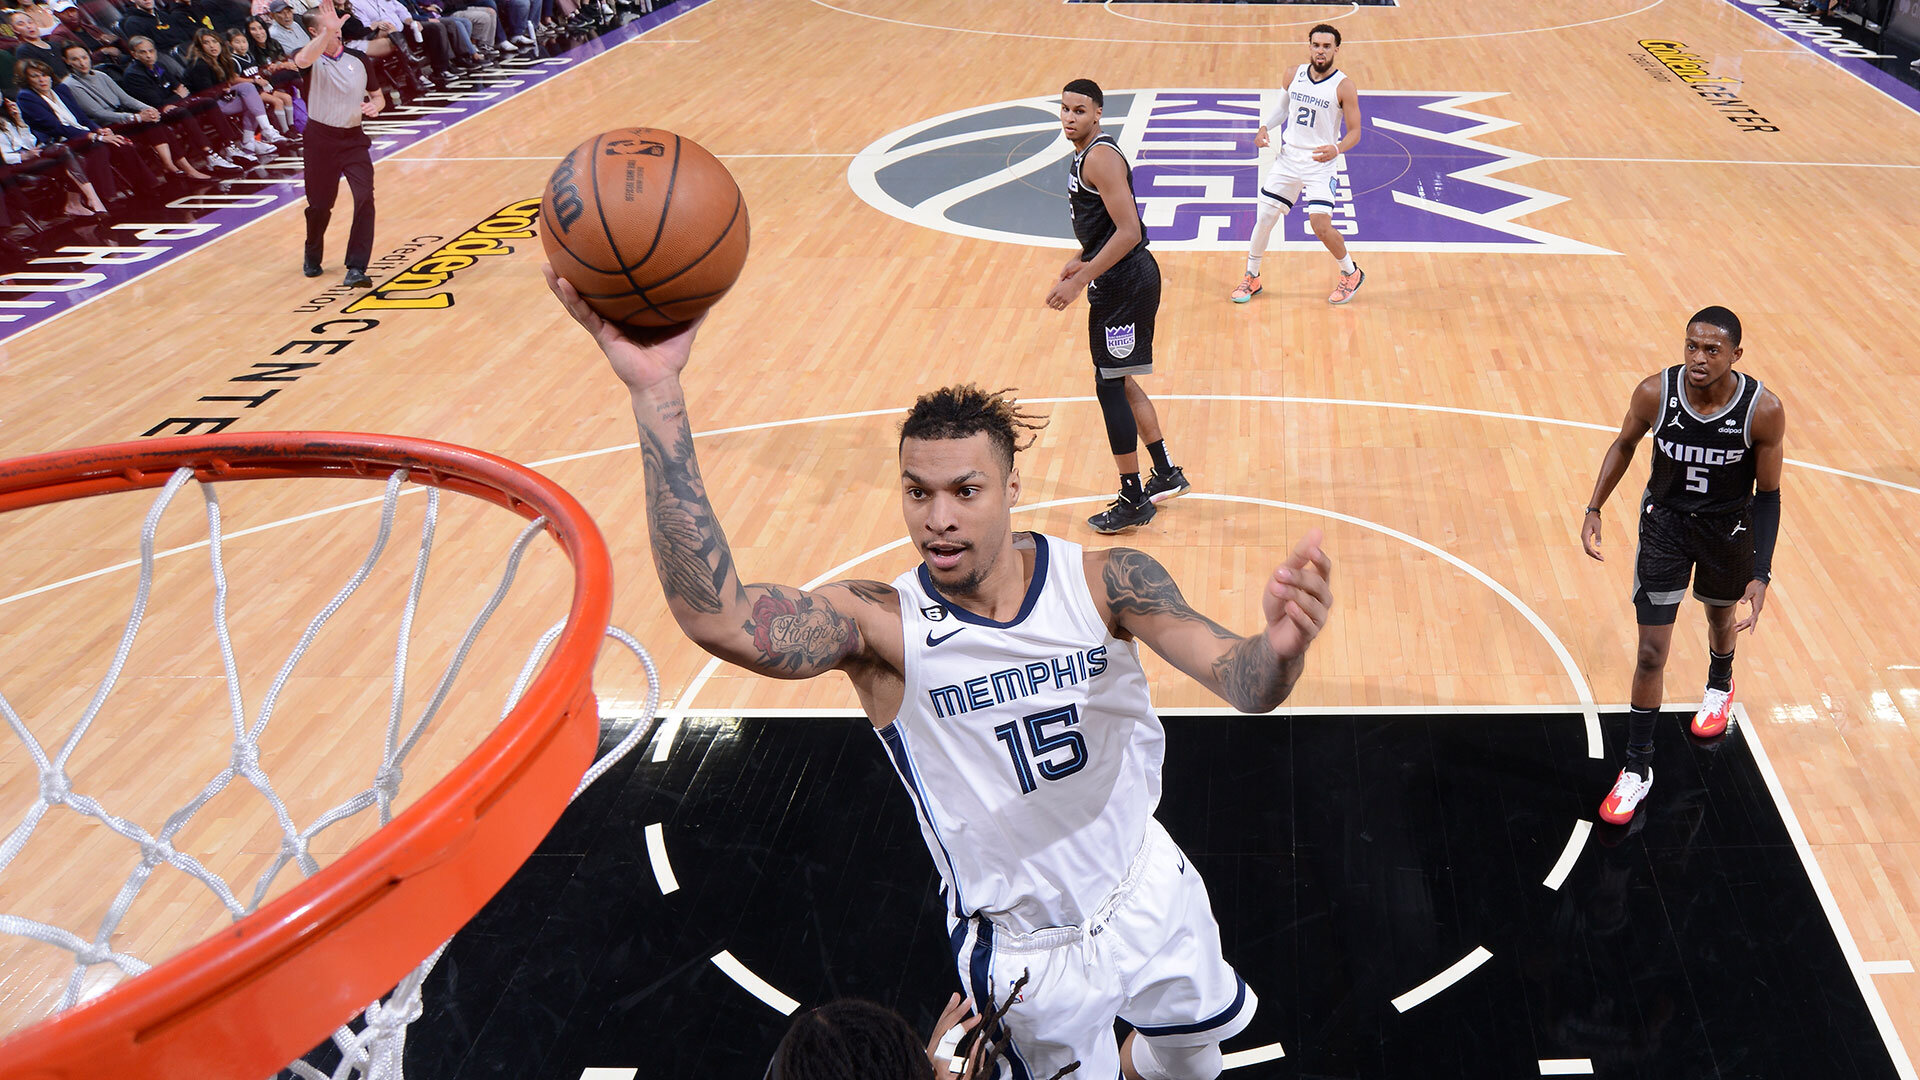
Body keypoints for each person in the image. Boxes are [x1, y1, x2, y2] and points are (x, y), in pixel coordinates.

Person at [545, 278, 1335, 1080]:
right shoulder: (882, 627)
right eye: (917, 493)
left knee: (1195, 1060)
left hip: (1142, 883)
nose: (938, 517)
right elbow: (721, 618)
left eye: (965, 491)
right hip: (1030, 954)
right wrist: (656, 393)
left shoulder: (1107, 584)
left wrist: (1281, 648)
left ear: (1013, 490)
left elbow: (1245, 683)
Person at [1580, 306, 1785, 825]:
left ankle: (1720, 683)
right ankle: (1637, 768)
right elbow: (1624, 444)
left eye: (1712, 350)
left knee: (1720, 619)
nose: (1698, 358)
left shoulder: (1763, 410)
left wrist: (1761, 572)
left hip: (1727, 531)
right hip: (1666, 526)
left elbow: (1768, 496)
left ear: (1736, 355)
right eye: (1691, 346)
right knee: (1651, 653)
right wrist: (1594, 507)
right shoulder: (1655, 393)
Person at [1047, 77, 1190, 535]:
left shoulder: (1102, 157)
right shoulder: (1083, 154)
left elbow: (1129, 231)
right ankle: (1165, 472)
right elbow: (1106, 228)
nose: (1070, 118)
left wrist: (1081, 279)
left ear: (1098, 114)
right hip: (1117, 276)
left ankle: (1133, 499)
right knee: (1119, 380)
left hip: (1124, 283)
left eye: (1080, 111)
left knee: (1109, 386)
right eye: (1065, 109)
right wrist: (1082, 257)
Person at [1230, 24, 1366, 307]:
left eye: (1327, 46)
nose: (1320, 51)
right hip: (1289, 158)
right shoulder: (1293, 74)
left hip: (1321, 162)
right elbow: (1282, 109)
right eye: (1316, 45)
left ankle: (1350, 273)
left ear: (1336, 50)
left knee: (1320, 225)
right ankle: (1252, 277)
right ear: (1309, 46)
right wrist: (1264, 127)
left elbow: (1355, 131)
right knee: (1265, 218)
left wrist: (1337, 148)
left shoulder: (1344, 86)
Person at [292, 0, 380, 285]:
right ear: (312, 30)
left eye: (338, 26)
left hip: (354, 139)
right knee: (319, 205)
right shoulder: (310, 58)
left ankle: (356, 268)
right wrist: (325, 34)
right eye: (329, 26)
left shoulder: (359, 59)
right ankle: (312, 252)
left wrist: (376, 105)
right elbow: (302, 61)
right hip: (320, 140)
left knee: (364, 196)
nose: (337, 30)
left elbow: (378, 95)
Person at [61, 42, 215, 179]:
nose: (82, 62)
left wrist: (148, 109)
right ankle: (178, 167)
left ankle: (176, 166)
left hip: (127, 116)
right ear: (66, 61)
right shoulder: (70, 85)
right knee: (151, 123)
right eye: (75, 59)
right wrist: (137, 117)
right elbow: (99, 113)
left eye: (84, 57)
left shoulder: (103, 75)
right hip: (108, 127)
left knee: (156, 121)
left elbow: (126, 98)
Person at [15, 57, 160, 197]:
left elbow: (82, 117)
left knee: (121, 142)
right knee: (97, 148)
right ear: (27, 80)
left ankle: (146, 186)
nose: (42, 79)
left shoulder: (61, 89)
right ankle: (108, 196)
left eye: (44, 75)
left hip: (81, 133)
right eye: (35, 76)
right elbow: (56, 127)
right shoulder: (26, 97)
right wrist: (96, 136)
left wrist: (98, 129)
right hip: (58, 141)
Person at [117, 34, 249, 171]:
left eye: (151, 51)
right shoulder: (133, 75)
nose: (149, 55)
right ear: (134, 54)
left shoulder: (159, 66)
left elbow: (180, 88)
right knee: (182, 112)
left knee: (207, 102)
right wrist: (177, 96)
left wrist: (176, 97)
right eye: (143, 52)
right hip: (156, 114)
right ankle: (209, 155)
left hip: (175, 105)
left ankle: (230, 146)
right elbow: (157, 102)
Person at [1, 91, 109, 216]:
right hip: (11, 164)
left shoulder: (6, 118)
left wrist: (19, 120)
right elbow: (3, 157)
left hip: (30, 153)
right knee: (66, 157)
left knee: (71, 154)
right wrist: (22, 156)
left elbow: (29, 143)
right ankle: (92, 200)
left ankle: (74, 203)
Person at [182, 25, 285, 155]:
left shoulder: (221, 60)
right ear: (200, 47)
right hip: (208, 107)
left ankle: (249, 142)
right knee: (249, 91)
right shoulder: (199, 65)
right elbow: (206, 93)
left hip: (221, 99)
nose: (212, 46)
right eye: (206, 43)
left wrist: (227, 89)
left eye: (214, 42)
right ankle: (265, 131)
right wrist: (225, 89)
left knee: (253, 99)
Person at [224, 25, 293, 130]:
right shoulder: (233, 60)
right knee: (277, 101)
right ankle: (285, 131)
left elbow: (256, 72)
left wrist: (265, 73)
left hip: (261, 88)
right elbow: (233, 80)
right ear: (230, 44)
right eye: (237, 42)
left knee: (287, 98)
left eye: (244, 42)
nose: (242, 45)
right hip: (250, 93)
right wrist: (254, 80)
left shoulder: (249, 56)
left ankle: (292, 127)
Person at [11, 9, 72, 78]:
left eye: (30, 22)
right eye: (21, 24)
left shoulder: (55, 45)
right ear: (15, 29)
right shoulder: (24, 50)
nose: (28, 26)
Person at [116, 0, 195, 52]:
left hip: (187, 52)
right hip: (169, 63)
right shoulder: (133, 23)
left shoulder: (164, 15)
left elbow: (184, 37)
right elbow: (150, 54)